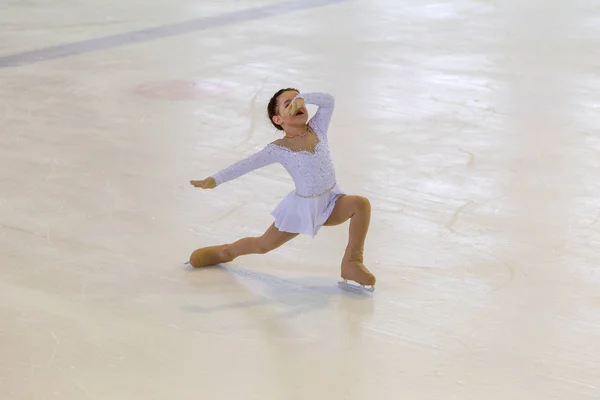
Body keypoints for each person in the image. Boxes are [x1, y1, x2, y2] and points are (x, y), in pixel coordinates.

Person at [189, 88, 376, 288]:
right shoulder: (278, 149)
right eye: (289, 104)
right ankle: (224, 252)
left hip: (331, 201)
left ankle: (352, 263)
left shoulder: (318, 128)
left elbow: (328, 101)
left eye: (299, 101)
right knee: (262, 246)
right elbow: (245, 164)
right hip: (302, 209)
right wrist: (215, 179)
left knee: (360, 204)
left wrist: (306, 97)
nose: (297, 105)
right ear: (278, 120)